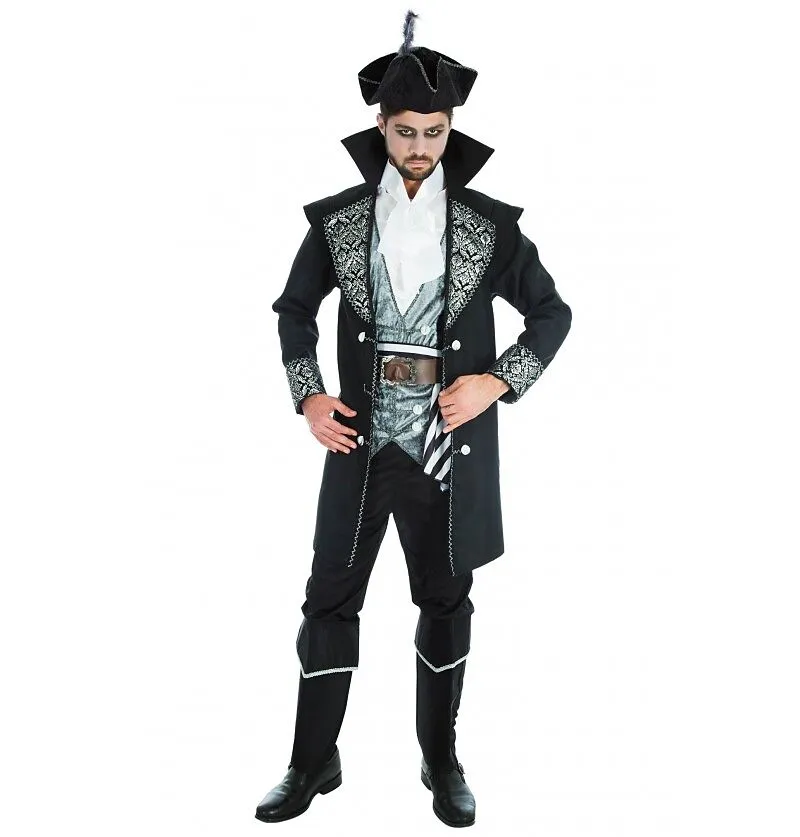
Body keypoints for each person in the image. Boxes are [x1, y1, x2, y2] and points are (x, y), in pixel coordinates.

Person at [255, 9, 572, 828]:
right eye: (405, 131)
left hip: (445, 450)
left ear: (450, 128)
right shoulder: (338, 221)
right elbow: (293, 310)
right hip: (359, 444)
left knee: (445, 601)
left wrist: (495, 383)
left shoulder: (490, 227)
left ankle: (442, 758)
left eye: (434, 131)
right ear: (382, 127)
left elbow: (553, 314)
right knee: (328, 599)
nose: (420, 146)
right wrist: (308, 393)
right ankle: (311, 760)